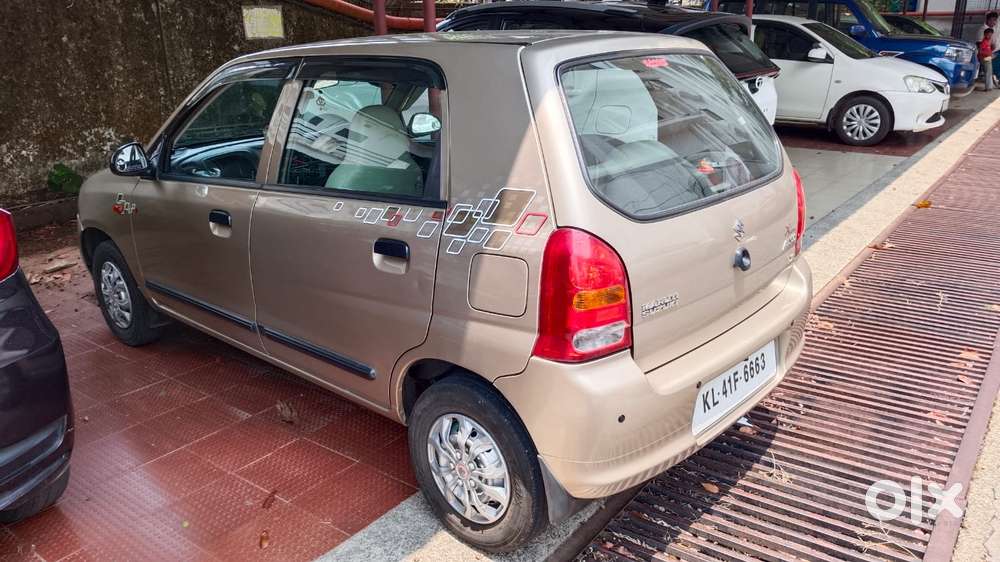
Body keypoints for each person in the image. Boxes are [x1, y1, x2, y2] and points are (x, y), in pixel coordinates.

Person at [980, 12, 1000, 88]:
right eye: (993, 20)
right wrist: (991, 54)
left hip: (991, 53)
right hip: (985, 56)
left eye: (995, 20)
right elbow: (980, 49)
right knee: (990, 67)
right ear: (988, 20)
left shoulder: (993, 29)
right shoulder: (983, 31)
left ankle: (995, 81)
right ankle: (990, 85)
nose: (994, 22)